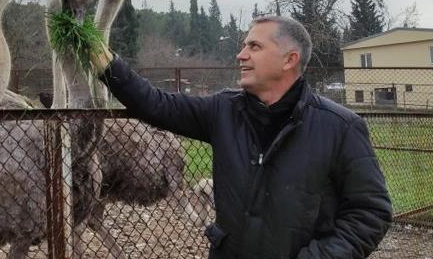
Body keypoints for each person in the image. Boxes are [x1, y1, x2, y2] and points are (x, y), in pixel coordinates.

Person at [90, 15, 392, 258]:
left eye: (254, 47)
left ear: (289, 60)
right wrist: (106, 64)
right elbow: (156, 104)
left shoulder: (340, 127)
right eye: (244, 45)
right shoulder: (223, 111)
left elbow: (370, 212)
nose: (241, 54)